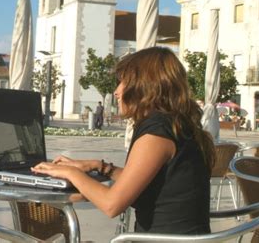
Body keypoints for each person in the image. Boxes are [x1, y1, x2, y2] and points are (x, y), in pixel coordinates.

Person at [32, 47, 215, 235]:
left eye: (123, 83)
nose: (117, 91)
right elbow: (151, 182)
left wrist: (71, 173)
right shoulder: (177, 125)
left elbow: (111, 204)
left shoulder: (157, 134)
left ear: (145, 86)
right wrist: (100, 167)